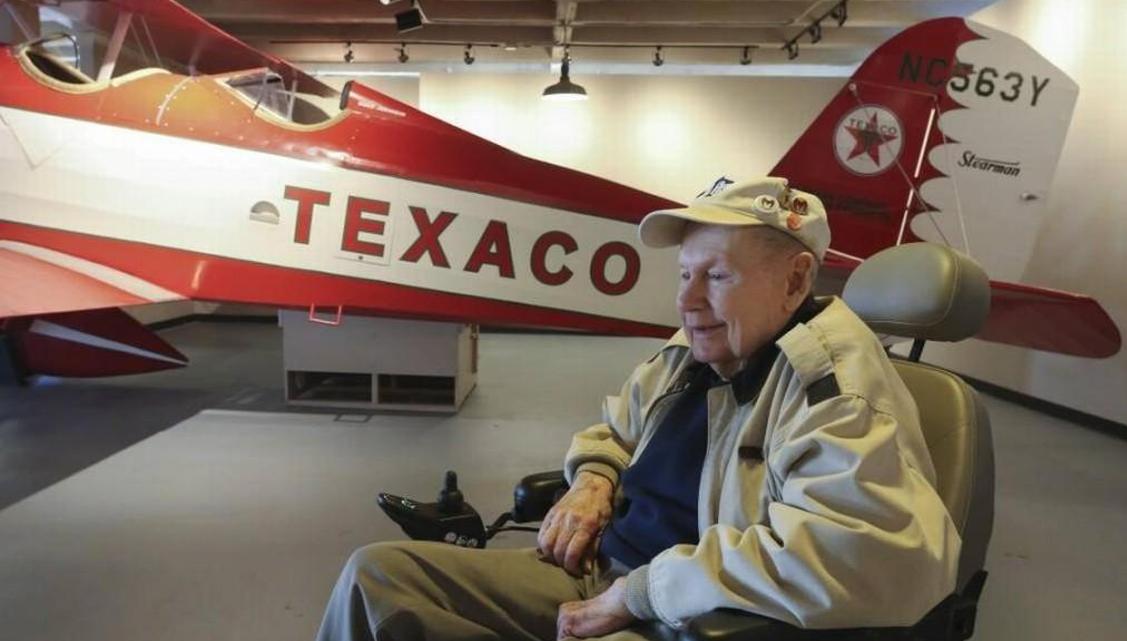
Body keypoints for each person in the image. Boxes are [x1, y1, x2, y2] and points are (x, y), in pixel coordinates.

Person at [314, 177, 961, 641]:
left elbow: (850, 552)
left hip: (685, 615)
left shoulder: (833, 386)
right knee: (377, 576)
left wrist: (643, 592)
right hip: (600, 569)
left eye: (716, 276)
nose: (688, 300)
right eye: (684, 274)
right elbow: (618, 426)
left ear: (794, 280)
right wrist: (595, 475)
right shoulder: (695, 349)